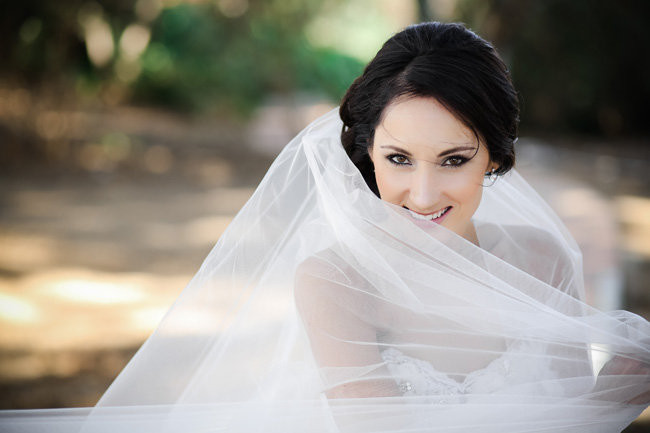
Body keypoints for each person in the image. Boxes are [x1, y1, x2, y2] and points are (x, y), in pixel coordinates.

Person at [1, 22, 649, 433]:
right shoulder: (337, 280)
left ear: (495, 155)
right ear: (367, 153)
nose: (422, 193)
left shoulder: (542, 258)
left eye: (454, 159)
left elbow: (572, 420)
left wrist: (623, 388)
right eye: (398, 159)